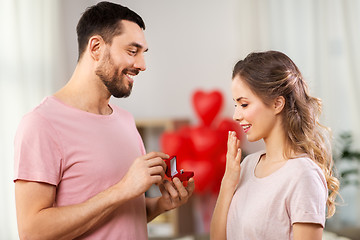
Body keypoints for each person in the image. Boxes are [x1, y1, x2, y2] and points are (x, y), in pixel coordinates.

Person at [14, 2, 194, 239]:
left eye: (142, 53)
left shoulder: (126, 121)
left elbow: (124, 214)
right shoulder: (41, 124)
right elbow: (33, 232)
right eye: (132, 51)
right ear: (96, 47)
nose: (142, 65)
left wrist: (160, 205)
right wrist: (122, 189)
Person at [210, 50, 339, 240]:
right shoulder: (246, 165)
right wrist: (228, 181)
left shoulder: (303, 175)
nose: (236, 115)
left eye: (244, 104)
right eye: (235, 105)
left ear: (277, 104)